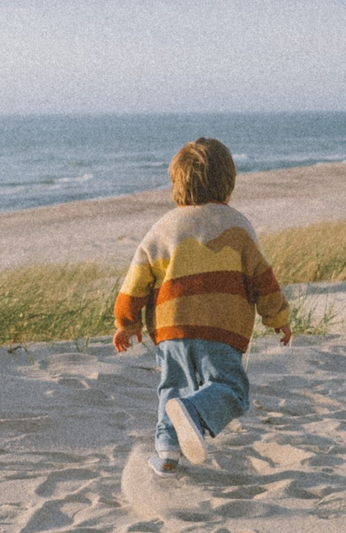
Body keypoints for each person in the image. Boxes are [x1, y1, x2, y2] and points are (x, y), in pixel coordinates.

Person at [112, 138, 295, 471]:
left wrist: (126, 322)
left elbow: (136, 279)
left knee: (173, 388)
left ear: (177, 184)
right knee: (231, 388)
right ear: (228, 183)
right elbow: (262, 279)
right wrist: (278, 317)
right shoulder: (237, 225)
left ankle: (167, 452)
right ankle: (195, 413)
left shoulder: (163, 228)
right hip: (220, 328)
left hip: (171, 329)